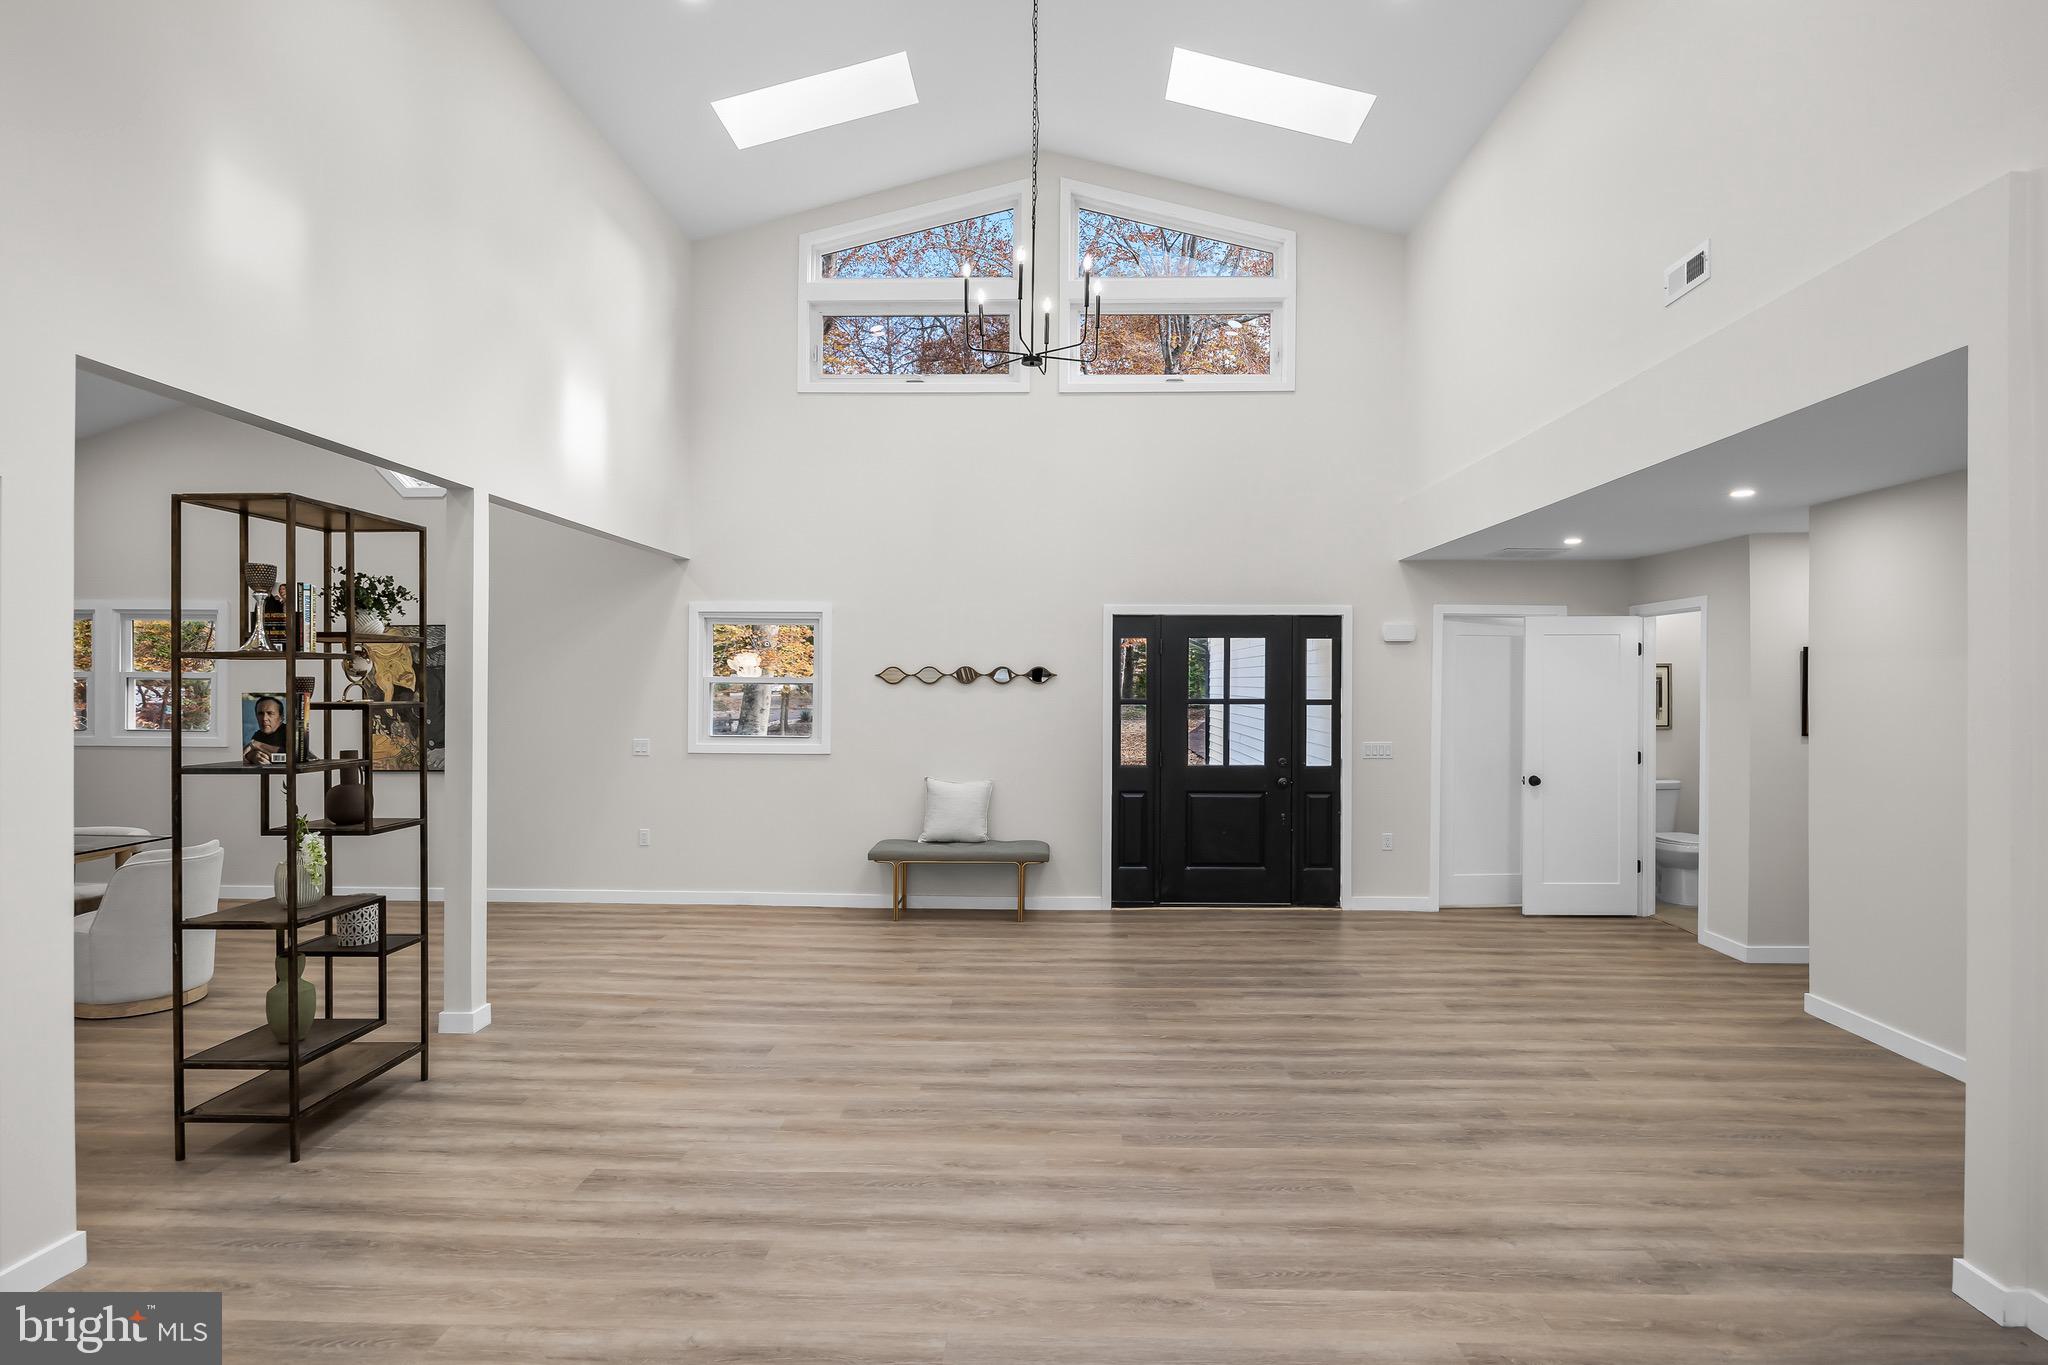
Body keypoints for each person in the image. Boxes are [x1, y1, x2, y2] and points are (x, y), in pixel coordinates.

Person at [243, 695, 289, 764]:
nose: (264, 718)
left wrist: (258, 745)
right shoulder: (258, 735)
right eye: (260, 714)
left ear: (281, 717)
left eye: (270, 713)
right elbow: (245, 754)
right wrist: (253, 756)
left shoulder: (290, 732)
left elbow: (291, 757)